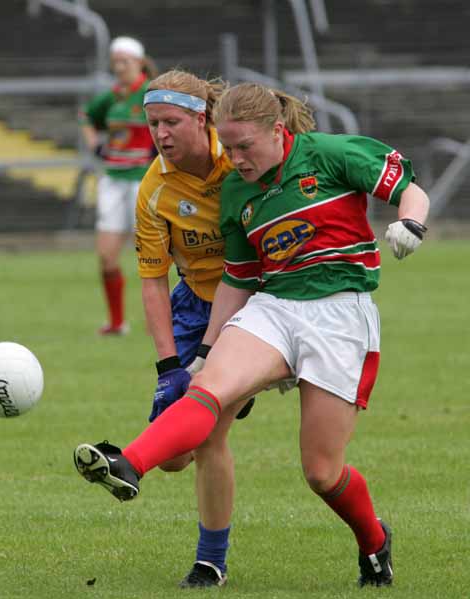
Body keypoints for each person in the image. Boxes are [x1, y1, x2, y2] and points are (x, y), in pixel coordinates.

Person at [74, 82, 430, 588]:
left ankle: (373, 540)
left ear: (278, 132)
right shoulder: (237, 192)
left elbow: (409, 189)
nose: (235, 158)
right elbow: (238, 277)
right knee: (207, 391)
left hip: (340, 316)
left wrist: (410, 223)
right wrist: (205, 351)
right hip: (274, 306)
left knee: (321, 473)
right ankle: (127, 462)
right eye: (229, 146)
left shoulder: (329, 153)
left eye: (245, 147)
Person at [131, 69, 256, 587]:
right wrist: (167, 368)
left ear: (202, 119)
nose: (160, 134)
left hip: (255, 305)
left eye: (171, 122)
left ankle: (211, 562)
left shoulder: (241, 162)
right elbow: (154, 281)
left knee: (208, 434)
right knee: (175, 457)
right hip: (192, 307)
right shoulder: (154, 188)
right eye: (153, 123)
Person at [79, 36, 157, 335]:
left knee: (152, 257)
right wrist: (94, 146)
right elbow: (86, 117)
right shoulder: (111, 97)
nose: (120, 66)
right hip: (113, 180)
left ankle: (161, 320)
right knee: (106, 256)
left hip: (143, 180)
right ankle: (116, 322)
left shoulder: (150, 92)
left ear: (139, 62)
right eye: (117, 61)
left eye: (126, 61)